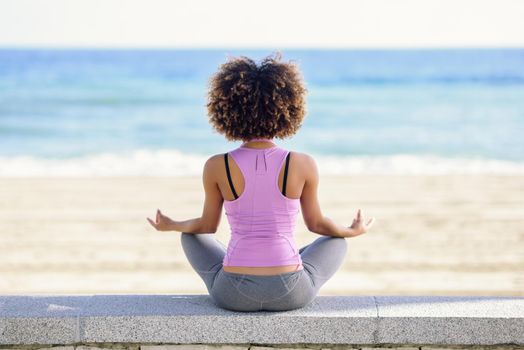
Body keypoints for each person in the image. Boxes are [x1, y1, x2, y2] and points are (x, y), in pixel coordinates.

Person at [147, 51, 375, 312]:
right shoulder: (302, 163)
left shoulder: (216, 165)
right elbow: (317, 225)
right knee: (336, 241)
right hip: (290, 293)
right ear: (288, 107)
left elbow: (207, 226)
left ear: (226, 110)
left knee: (190, 236)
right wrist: (352, 230)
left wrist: (172, 225)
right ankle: (286, 260)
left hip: (233, 295)